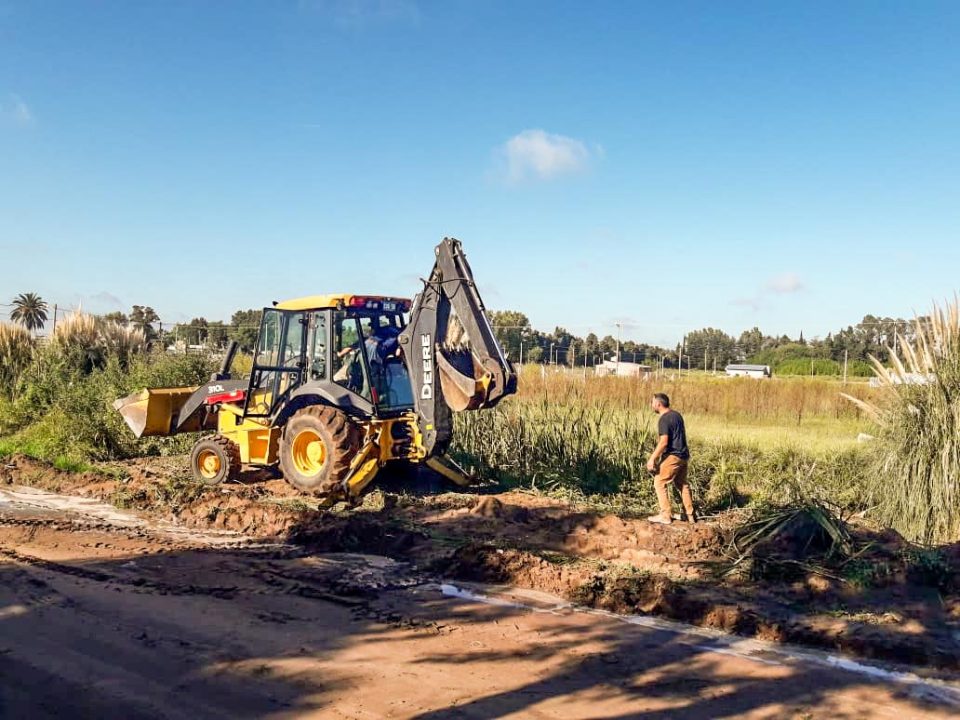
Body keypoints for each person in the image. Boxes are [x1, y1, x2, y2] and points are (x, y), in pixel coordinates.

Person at [646, 392, 696, 525]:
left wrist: (652, 459)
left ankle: (665, 515)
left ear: (658, 404)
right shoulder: (677, 415)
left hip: (673, 455)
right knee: (682, 484)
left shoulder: (664, 419)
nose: (651, 405)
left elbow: (664, 442)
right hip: (683, 456)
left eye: (652, 403)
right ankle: (689, 514)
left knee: (659, 482)